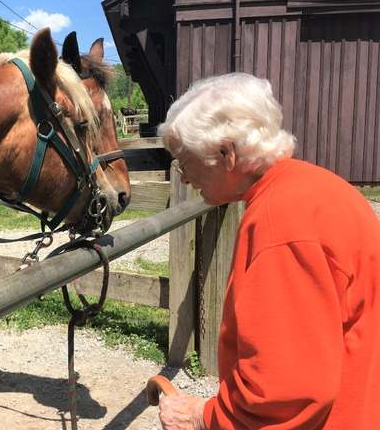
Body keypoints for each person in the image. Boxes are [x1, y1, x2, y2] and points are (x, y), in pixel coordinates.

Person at [156, 73, 380, 429]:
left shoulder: (280, 224)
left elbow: (285, 390)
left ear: (226, 153)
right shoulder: (320, 187)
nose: (183, 177)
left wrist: (207, 417)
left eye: (185, 162)